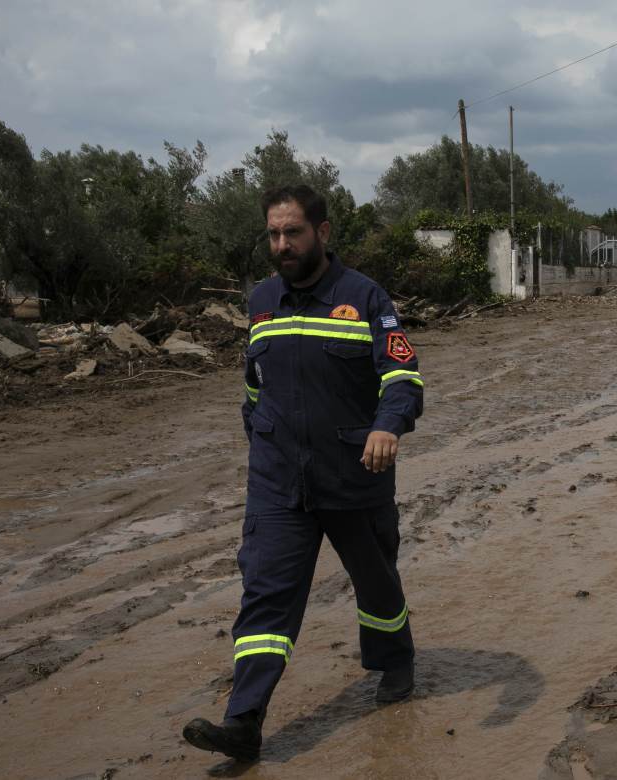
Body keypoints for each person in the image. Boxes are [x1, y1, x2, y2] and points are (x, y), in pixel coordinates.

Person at [182, 184, 423, 763]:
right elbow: (252, 385)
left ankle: (394, 661)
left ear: (323, 232)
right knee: (265, 594)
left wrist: (387, 426)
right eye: (273, 233)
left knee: (377, 583)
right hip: (278, 481)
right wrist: (262, 440)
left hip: (354, 473)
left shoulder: (364, 297)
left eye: (293, 232)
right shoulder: (260, 299)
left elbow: (402, 374)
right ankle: (243, 722)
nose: (282, 244)